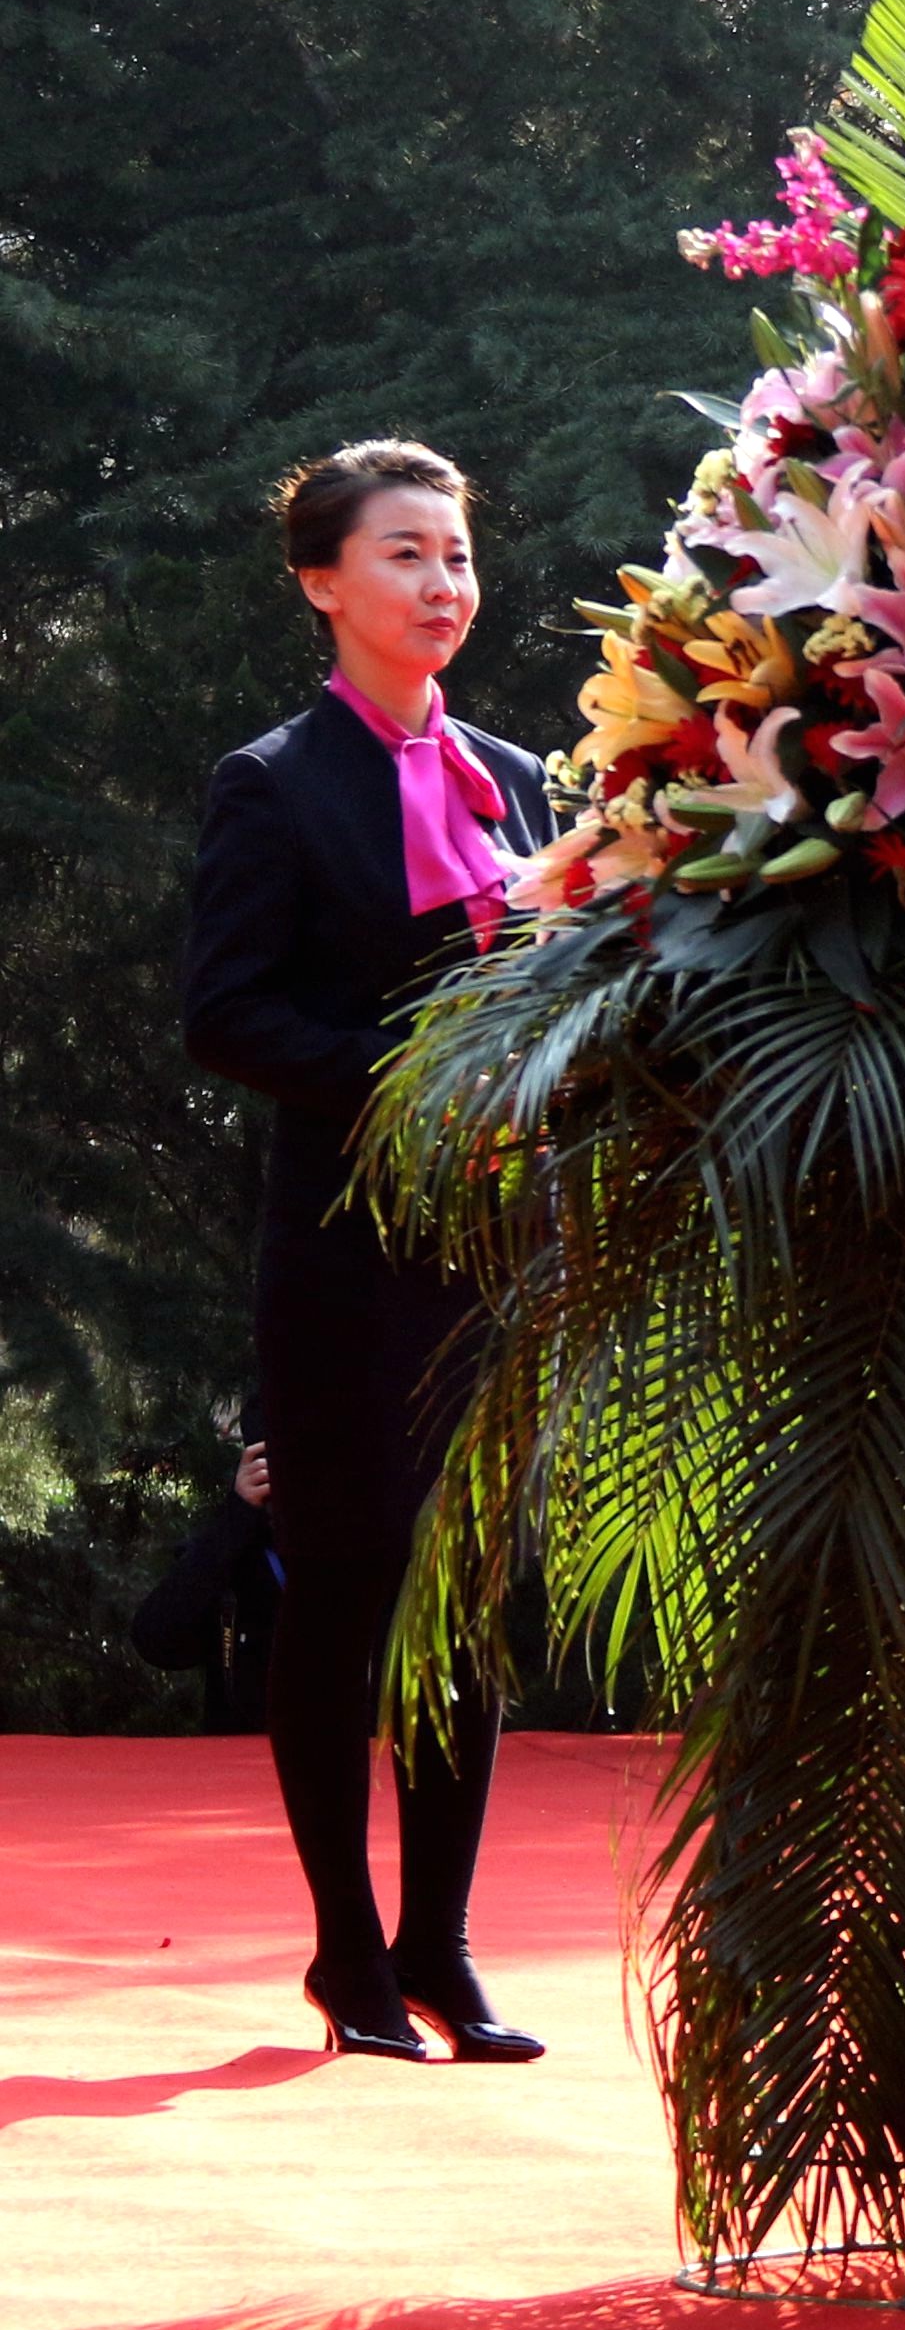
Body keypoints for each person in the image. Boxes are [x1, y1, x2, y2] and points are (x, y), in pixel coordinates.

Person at [181, 441, 554, 2066]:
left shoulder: (520, 776)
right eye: (404, 553)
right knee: (344, 1590)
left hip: (492, 1246)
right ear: (323, 581)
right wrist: (418, 1080)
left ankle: (444, 1947)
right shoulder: (272, 780)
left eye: (457, 554)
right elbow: (229, 1012)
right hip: (342, 1248)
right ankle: (345, 1945)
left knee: (466, 1599)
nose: (442, 584)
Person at [128, 1432, 280, 1734]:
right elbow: (156, 1639)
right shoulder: (240, 1553)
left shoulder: (378, 1557)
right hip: (238, 1769)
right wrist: (239, 1513)